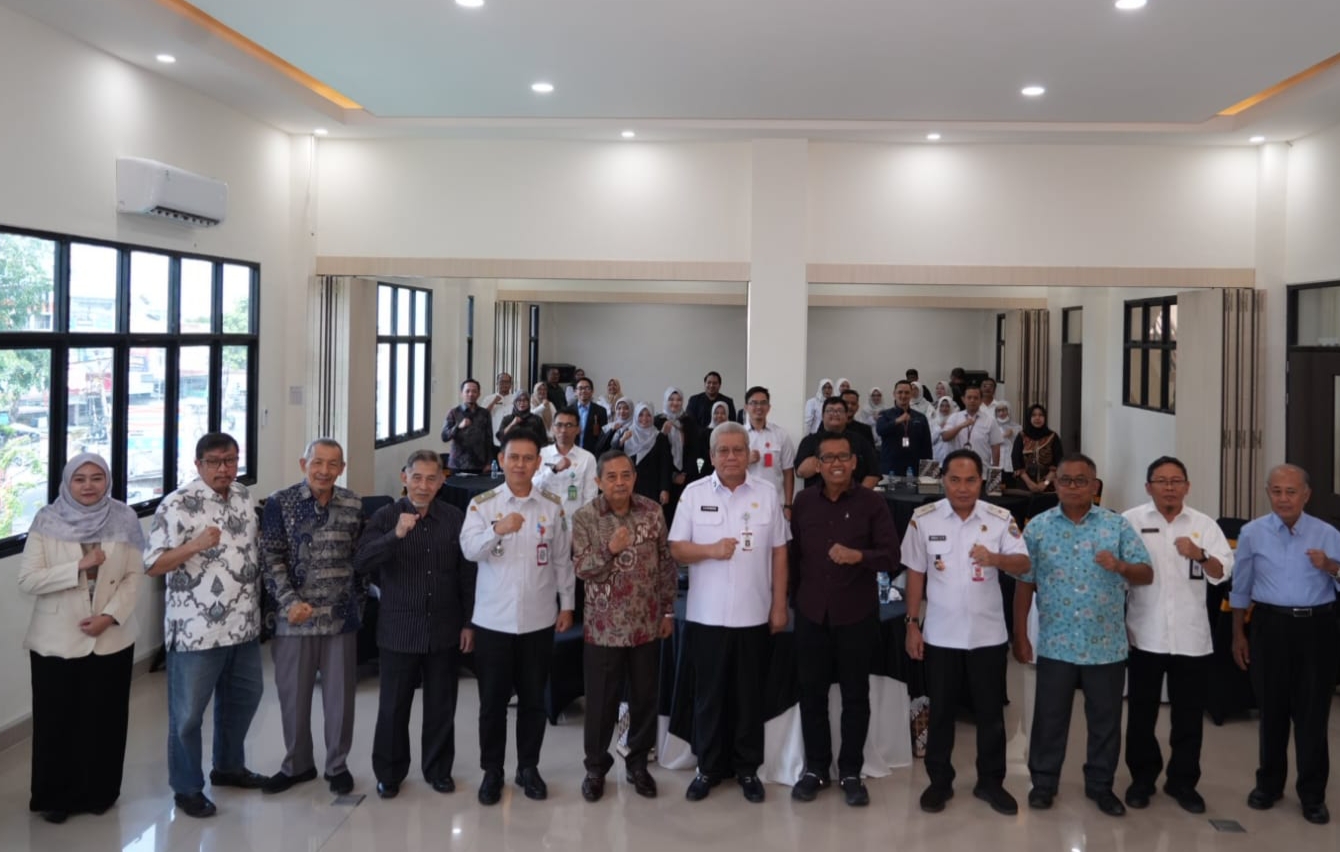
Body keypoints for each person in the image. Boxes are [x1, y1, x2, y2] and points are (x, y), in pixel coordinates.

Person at [1012, 453, 1153, 817]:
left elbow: (1145, 573)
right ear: (1055, 484)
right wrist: (1020, 635)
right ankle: (1044, 783)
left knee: (1105, 721)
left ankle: (1101, 785)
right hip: (1056, 643)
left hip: (1105, 644)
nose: (1073, 487)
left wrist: (1120, 566)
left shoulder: (1115, 526)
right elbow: (1024, 584)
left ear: (1094, 485)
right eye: (1065, 480)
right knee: (1049, 718)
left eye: (1081, 480)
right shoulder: (1038, 527)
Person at [903, 449, 1031, 817]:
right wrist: (912, 624)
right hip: (941, 634)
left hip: (987, 635)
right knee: (941, 712)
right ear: (943, 480)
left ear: (982, 481)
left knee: (990, 714)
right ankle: (939, 781)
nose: (963, 488)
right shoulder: (923, 519)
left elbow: (1024, 562)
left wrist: (997, 559)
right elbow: (915, 573)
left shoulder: (1000, 518)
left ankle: (990, 782)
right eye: (955, 480)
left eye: (971, 480)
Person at [145, 432, 266, 819]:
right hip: (196, 631)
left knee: (244, 699)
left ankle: (228, 767)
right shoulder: (176, 504)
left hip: (243, 624)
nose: (223, 469)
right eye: (214, 462)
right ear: (198, 464)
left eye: (230, 460)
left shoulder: (244, 496)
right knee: (188, 717)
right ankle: (187, 788)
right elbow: (153, 565)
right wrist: (194, 546)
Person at [19, 453, 143, 824]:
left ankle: (99, 792)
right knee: (56, 720)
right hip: (57, 638)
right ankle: (55, 797)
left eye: (97, 477)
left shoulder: (124, 517)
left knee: (106, 719)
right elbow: (28, 579)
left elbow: (134, 576)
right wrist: (78, 566)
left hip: (112, 637)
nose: (89, 485)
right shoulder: (47, 519)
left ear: (108, 481)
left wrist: (110, 616)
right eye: (80, 479)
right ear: (67, 482)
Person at [670, 422, 789, 804]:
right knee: (708, 697)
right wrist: (711, 550)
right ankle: (708, 768)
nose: (732, 457)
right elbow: (676, 548)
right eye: (723, 450)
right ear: (712, 455)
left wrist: (779, 604)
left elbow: (780, 552)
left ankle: (747, 769)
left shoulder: (767, 493)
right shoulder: (694, 493)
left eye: (739, 449)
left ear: (749, 453)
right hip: (706, 617)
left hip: (754, 614)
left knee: (748, 697)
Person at [460, 431, 576, 805]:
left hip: (538, 620)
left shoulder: (552, 507)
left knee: (533, 701)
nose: (521, 465)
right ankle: (492, 771)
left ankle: (528, 767)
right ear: (501, 459)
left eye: (528, 458)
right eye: (514, 457)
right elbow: (469, 550)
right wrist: (497, 530)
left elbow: (562, 560)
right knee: (492, 703)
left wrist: (567, 604)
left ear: (538, 463)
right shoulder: (483, 505)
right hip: (493, 621)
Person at [355, 449, 476, 799]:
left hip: (444, 628)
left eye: (431, 479)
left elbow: (467, 574)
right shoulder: (385, 516)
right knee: (393, 707)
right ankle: (389, 773)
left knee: (441, 706)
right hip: (399, 629)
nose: (423, 486)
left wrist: (469, 622)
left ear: (442, 481)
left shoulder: (454, 518)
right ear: (404, 477)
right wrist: (395, 535)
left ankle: (438, 770)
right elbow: (361, 562)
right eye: (417, 477)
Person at [789, 433, 899, 807]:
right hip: (811, 613)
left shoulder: (873, 503)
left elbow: (891, 555)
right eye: (828, 458)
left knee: (855, 696)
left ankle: (851, 771)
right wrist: (791, 603)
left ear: (854, 462)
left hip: (856, 615)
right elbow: (794, 557)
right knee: (812, 695)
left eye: (843, 457)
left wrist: (859, 557)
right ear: (817, 465)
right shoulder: (803, 502)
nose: (836, 463)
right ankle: (816, 769)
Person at [1121, 457, 1234, 814]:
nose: (1169, 487)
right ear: (1148, 487)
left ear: (1187, 486)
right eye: (1161, 480)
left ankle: (1183, 782)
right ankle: (1142, 779)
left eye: (1176, 481)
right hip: (1145, 633)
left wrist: (1200, 554)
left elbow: (1221, 573)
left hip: (1190, 636)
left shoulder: (1204, 525)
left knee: (1188, 717)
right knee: (1141, 715)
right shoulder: (1130, 521)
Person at [1230, 464, 1340, 826]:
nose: (1283, 499)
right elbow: (1241, 587)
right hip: (1270, 626)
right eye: (1276, 491)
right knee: (1271, 710)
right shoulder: (1252, 533)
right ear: (1268, 493)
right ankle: (1269, 786)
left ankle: (1312, 795)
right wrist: (1238, 634)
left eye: (1291, 492)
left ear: (1306, 495)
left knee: (1312, 715)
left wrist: (1331, 566)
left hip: (1317, 629)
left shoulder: (1327, 534)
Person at [258, 439, 366, 796]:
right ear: (303, 463)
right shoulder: (280, 502)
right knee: (294, 697)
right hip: (293, 619)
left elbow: (360, 559)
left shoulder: (353, 504)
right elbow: (270, 559)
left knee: (340, 699)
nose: (324, 470)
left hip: (340, 619)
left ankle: (337, 765)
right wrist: (289, 601)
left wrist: (356, 605)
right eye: (317, 462)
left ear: (342, 468)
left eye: (333, 464)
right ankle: (297, 764)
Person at [572, 451, 679, 802]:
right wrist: (610, 549)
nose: (620, 482)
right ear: (598, 481)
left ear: (634, 477)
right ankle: (595, 768)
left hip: (647, 624)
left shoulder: (652, 510)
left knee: (644, 699)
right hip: (604, 628)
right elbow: (582, 569)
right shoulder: (585, 516)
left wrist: (667, 612)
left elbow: (666, 562)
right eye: (612, 476)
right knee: (601, 703)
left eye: (626, 475)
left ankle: (638, 764)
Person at [795, 397, 880, 490]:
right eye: (830, 410)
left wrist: (859, 495)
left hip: (853, 496)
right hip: (817, 497)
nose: (835, 414)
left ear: (846, 416)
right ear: (822, 416)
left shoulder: (860, 440)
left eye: (839, 411)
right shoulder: (809, 441)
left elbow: (874, 473)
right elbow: (801, 472)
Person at [742, 385, 797, 518]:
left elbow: (788, 472)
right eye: (754, 403)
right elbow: (728, 469)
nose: (759, 407)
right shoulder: (739, 435)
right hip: (745, 501)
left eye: (763, 403)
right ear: (746, 407)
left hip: (775, 502)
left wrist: (788, 505)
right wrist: (745, 461)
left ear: (769, 407)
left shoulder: (781, 435)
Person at [535, 408, 599, 516]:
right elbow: (531, 487)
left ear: (578, 429)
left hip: (574, 520)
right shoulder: (540, 455)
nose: (563, 430)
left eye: (569, 425)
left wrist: (583, 521)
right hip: (544, 519)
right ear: (552, 428)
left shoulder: (587, 458)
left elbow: (590, 496)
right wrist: (553, 470)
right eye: (559, 425)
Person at [612, 403, 673, 506]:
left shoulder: (659, 437)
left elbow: (665, 465)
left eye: (648, 415)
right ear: (636, 416)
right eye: (640, 415)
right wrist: (622, 441)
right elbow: (614, 458)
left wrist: (664, 489)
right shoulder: (627, 434)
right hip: (629, 486)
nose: (644, 418)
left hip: (652, 488)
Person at [657, 386, 702, 519]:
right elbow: (656, 452)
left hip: (685, 478)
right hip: (663, 479)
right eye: (671, 399)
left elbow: (695, 450)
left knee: (684, 515)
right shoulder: (658, 421)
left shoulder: (688, 421)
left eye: (678, 400)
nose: (675, 403)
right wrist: (662, 434)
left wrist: (684, 473)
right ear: (666, 400)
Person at [877, 379, 933, 476]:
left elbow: (927, 446)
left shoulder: (920, 417)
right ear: (894, 394)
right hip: (890, 467)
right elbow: (880, 430)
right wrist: (897, 421)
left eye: (907, 393)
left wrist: (928, 473)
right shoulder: (885, 414)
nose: (903, 396)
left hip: (914, 468)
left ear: (911, 395)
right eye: (900, 392)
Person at [440, 378, 494, 474]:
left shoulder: (484, 413)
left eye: (474, 391)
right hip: (458, 464)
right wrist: (458, 427)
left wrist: (489, 462)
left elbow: (489, 439)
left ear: (479, 394)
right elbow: (444, 437)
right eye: (467, 391)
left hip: (479, 464)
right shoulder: (454, 412)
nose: (471, 394)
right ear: (462, 393)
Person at [939, 388, 1004, 467]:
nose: (972, 400)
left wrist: (995, 468)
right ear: (963, 399)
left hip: (981, 468)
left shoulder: (990, 420)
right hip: (957, 467)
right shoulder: (954, 417)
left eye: (976, 398)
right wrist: (961, 426)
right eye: (969, 397)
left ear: (981, 401)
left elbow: (995, 446)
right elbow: (945, 437)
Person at [1012, 404, 1062, 493]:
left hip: (1049, 486)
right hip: (1025, 486)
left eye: (1041, 415)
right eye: (1034, 415)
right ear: (1029, 418)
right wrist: (1030, 483)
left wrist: (1045, 483)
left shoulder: (1053, 436)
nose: (1037, 418)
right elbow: (1016, 461)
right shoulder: (1021, 436)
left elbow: (1058, 462)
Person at [572, 377, 608, 451]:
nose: (583, 391)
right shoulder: (568, 410)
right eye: (580, 388)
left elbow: (602, 436)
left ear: (592, 391)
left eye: (587, 388)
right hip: (572, 450)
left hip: (592, 452)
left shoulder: (601, 411)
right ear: (575, 392)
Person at [483, 372, 516, 447]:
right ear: (497, 383)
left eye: (507, 382)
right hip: (493, 437)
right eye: (501, 382)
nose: (504, 384)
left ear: (511, 384)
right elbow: (483, 415)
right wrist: (493, 402)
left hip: (511, 437)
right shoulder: (489, 398)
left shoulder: (516, 399)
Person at [993, 401, 1021, 476]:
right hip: (995, 461)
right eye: (999, 410)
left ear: (1008, 411)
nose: (1001, 413)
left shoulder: (1017, 428)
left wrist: (1013, 433)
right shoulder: (991, 427)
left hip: (1010, 461)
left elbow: (1019, 446)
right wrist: (1003, 436)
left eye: (1004, 410)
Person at [929, 396, 958, 466]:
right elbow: (930, 440)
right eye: (942, 406)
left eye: (947, 406)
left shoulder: (955, 420)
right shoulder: (933, 420)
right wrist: (939, 428)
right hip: (936, 456)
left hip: (951, 455)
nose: (944, 408)